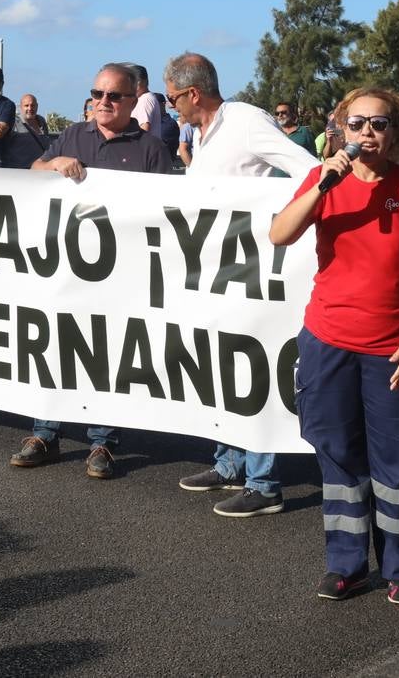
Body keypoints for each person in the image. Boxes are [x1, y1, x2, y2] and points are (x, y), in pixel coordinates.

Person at [269, 87, 399, 606]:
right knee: (339, 457)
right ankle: (346, 566)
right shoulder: (323, 180)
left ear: (396, 133)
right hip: (328, 342)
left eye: (379, 124)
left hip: (392, 348)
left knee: (396, 462)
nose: (367, 133)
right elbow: (280, 234)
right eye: (357, 123)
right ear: (340, 129)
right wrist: (325, 181)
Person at [165, 51, 319, 517]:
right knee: (219, 368)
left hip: (248, 270)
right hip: (211, 274)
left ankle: (264, 482)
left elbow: (307, 168)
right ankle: (228, 464)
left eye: (174, 99)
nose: (172, 107)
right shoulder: (197, 133)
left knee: (251, 368)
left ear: (194, 93)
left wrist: (277, 223)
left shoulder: (247, 121)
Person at [9, 63, 172, 480]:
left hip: (122, 273)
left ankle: (104, 441)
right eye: (97, 94)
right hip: (66, 268)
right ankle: (45, 432)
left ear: (132, 101)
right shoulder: (71, 136)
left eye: (113, 96)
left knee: (107, 354)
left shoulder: (151, 148)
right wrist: (55, 163)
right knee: (57, 346)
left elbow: (169, 210)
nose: (103, 102)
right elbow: (32, 175)